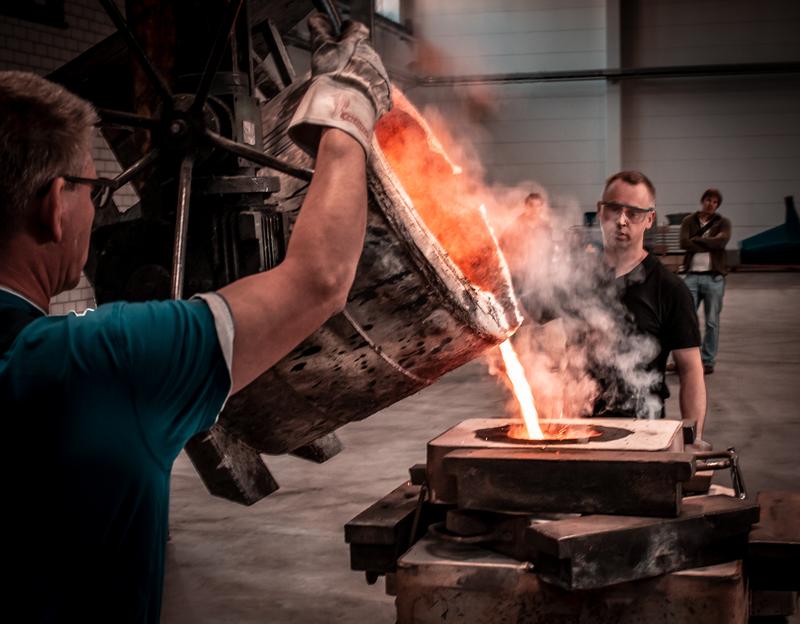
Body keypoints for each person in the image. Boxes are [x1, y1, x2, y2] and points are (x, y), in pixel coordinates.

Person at [0, 14, 390, 623]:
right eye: (92, 190)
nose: (97, 208)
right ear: (55, 206)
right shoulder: (100, 364)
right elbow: (319, 278)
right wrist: (350, 101)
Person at [594, 171, 707, 440]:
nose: (621, 221)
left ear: (649, 219)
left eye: (633, 213)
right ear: (600, 211)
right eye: (613, 209)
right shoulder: (573, 277)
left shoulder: (669, 289)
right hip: (572, 428)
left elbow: (690, 369)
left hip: (642, 431)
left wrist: (692, 441)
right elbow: (522, 316)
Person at [680, 188, 731, 375]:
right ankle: (683, 361)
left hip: (714, 277)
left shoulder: (723, 222)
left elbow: (721, 243)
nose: (711, 204)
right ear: (703, 200)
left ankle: (708, 361)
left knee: (711, 322)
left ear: (717, 205)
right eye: (709, 200)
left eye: (715, 202)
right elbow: (684, 243)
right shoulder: (689, 221)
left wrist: (697, 240)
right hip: (691, 276)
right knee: (685, 321)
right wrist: (709, 241)